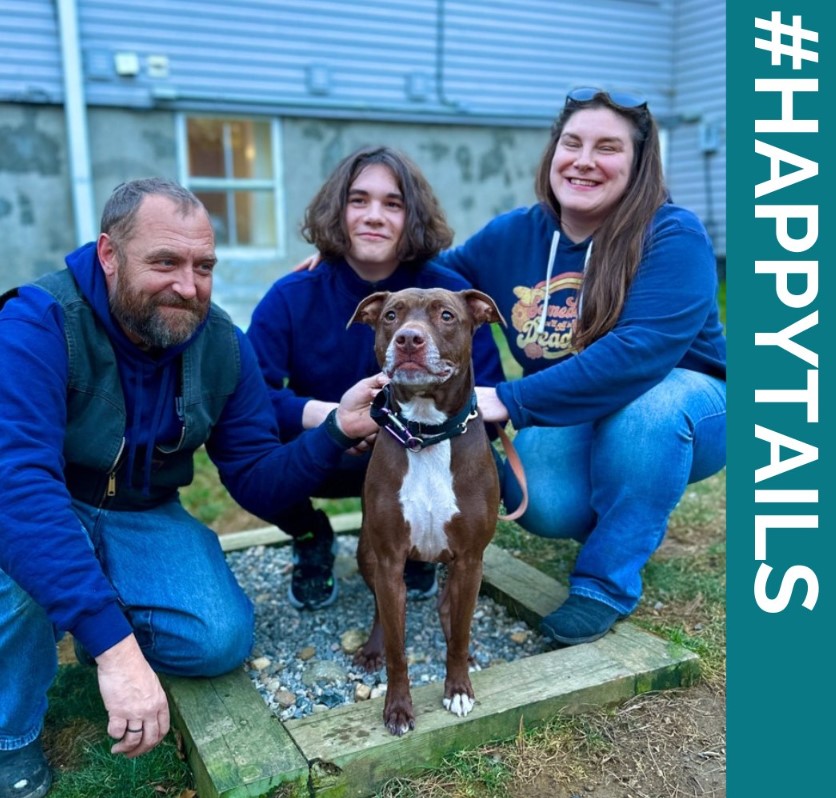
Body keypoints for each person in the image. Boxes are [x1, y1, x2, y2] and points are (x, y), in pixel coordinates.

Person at [0, 178, 383, 798]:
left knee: (219, 638)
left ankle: (79, 599)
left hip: (143, 509)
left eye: (204, 266)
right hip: (48, 499)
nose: (188, 285)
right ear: (108, 254)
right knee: (17, 563)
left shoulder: (223, 344)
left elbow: (256, 477)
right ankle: (9, 737)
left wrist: (335, 431)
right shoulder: (38, 321)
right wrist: (118, 653)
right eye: (165, 262)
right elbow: (17, 485)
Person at [434, 87, 727, 646]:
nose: (585, 160)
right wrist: (351, 259)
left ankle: (604, 583)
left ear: (639, 164)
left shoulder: (673, 235)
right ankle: (632, 508)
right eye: (573, 142)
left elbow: (637, 353)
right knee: (541, 504)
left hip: (692, 406)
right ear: (553, 152)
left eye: (608, 147)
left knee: (650, 413)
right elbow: (435, 276)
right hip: (589, 413)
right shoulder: (513, 235)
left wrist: (508, 400)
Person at [247, 145, 505, 611]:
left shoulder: (445, 291)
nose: (373, 216)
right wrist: (328, 420)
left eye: (393, 203)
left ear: (413, 216)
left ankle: (426, 540)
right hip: (330, 454)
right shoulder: (292, 295)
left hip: (427, 456)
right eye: (358, 199)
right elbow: (248, 398)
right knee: (246, 461)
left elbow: (487, 396)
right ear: (337, 210)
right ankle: (310, 533)